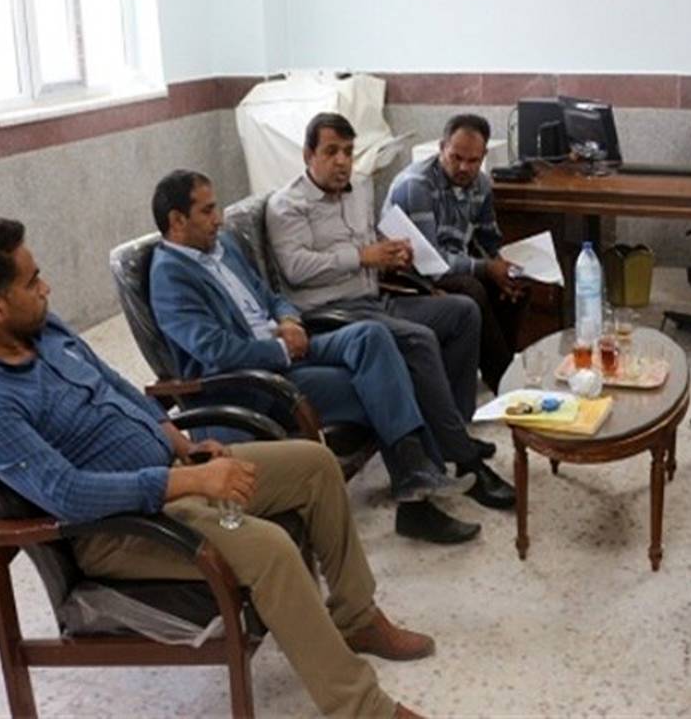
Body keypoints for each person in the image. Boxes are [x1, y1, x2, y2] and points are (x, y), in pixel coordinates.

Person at [0, 219, 431, 718]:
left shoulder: (41, 329)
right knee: (271, 549)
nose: (46, 288)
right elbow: (68, 494)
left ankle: (356, 618)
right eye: (32, 281)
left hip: (172, 472)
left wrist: (180, 443)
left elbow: (116, 385)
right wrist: (187, 481)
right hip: (122, 529)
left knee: (315, 465)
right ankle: (364, 710)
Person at [149, 168, 483, 545]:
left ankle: (417, 476)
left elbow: (269, 295)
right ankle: (418, 498)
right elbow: (216, 350)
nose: (219, 219)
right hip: (254, 379)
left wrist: (289, 319)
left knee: (373, 336)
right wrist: (279, 348)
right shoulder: (170, 277)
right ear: (177, 220)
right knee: (380, 384)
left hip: (289, 344)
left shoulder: (221, 247)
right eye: (208, 211)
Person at [265, 111, 514, 509]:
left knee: (464, 311)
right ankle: (466, 460)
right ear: (308, 155)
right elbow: (295, 268)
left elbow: (373, 244)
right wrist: (363, 256)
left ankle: (451, 429)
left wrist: (395, 252)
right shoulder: (286, 205)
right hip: (333, 315)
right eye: (331, 152)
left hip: (377, 300)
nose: (342, 161)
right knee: (419, 338)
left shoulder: (359, 190)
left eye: (348, 152)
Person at [384, 113, 526, 394]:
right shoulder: (417, 185)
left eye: (473, 161)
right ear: (442, 148)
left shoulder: (481, 184)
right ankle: (506, 384)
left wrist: (504, 266)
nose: (463, 167)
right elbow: (430, 261)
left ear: (483, 157)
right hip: (413, 273)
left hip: (453, 262)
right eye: (456, 157)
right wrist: (486, 268)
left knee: (516, 287)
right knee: (473, 289)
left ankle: (503, 373)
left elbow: (488, 239)